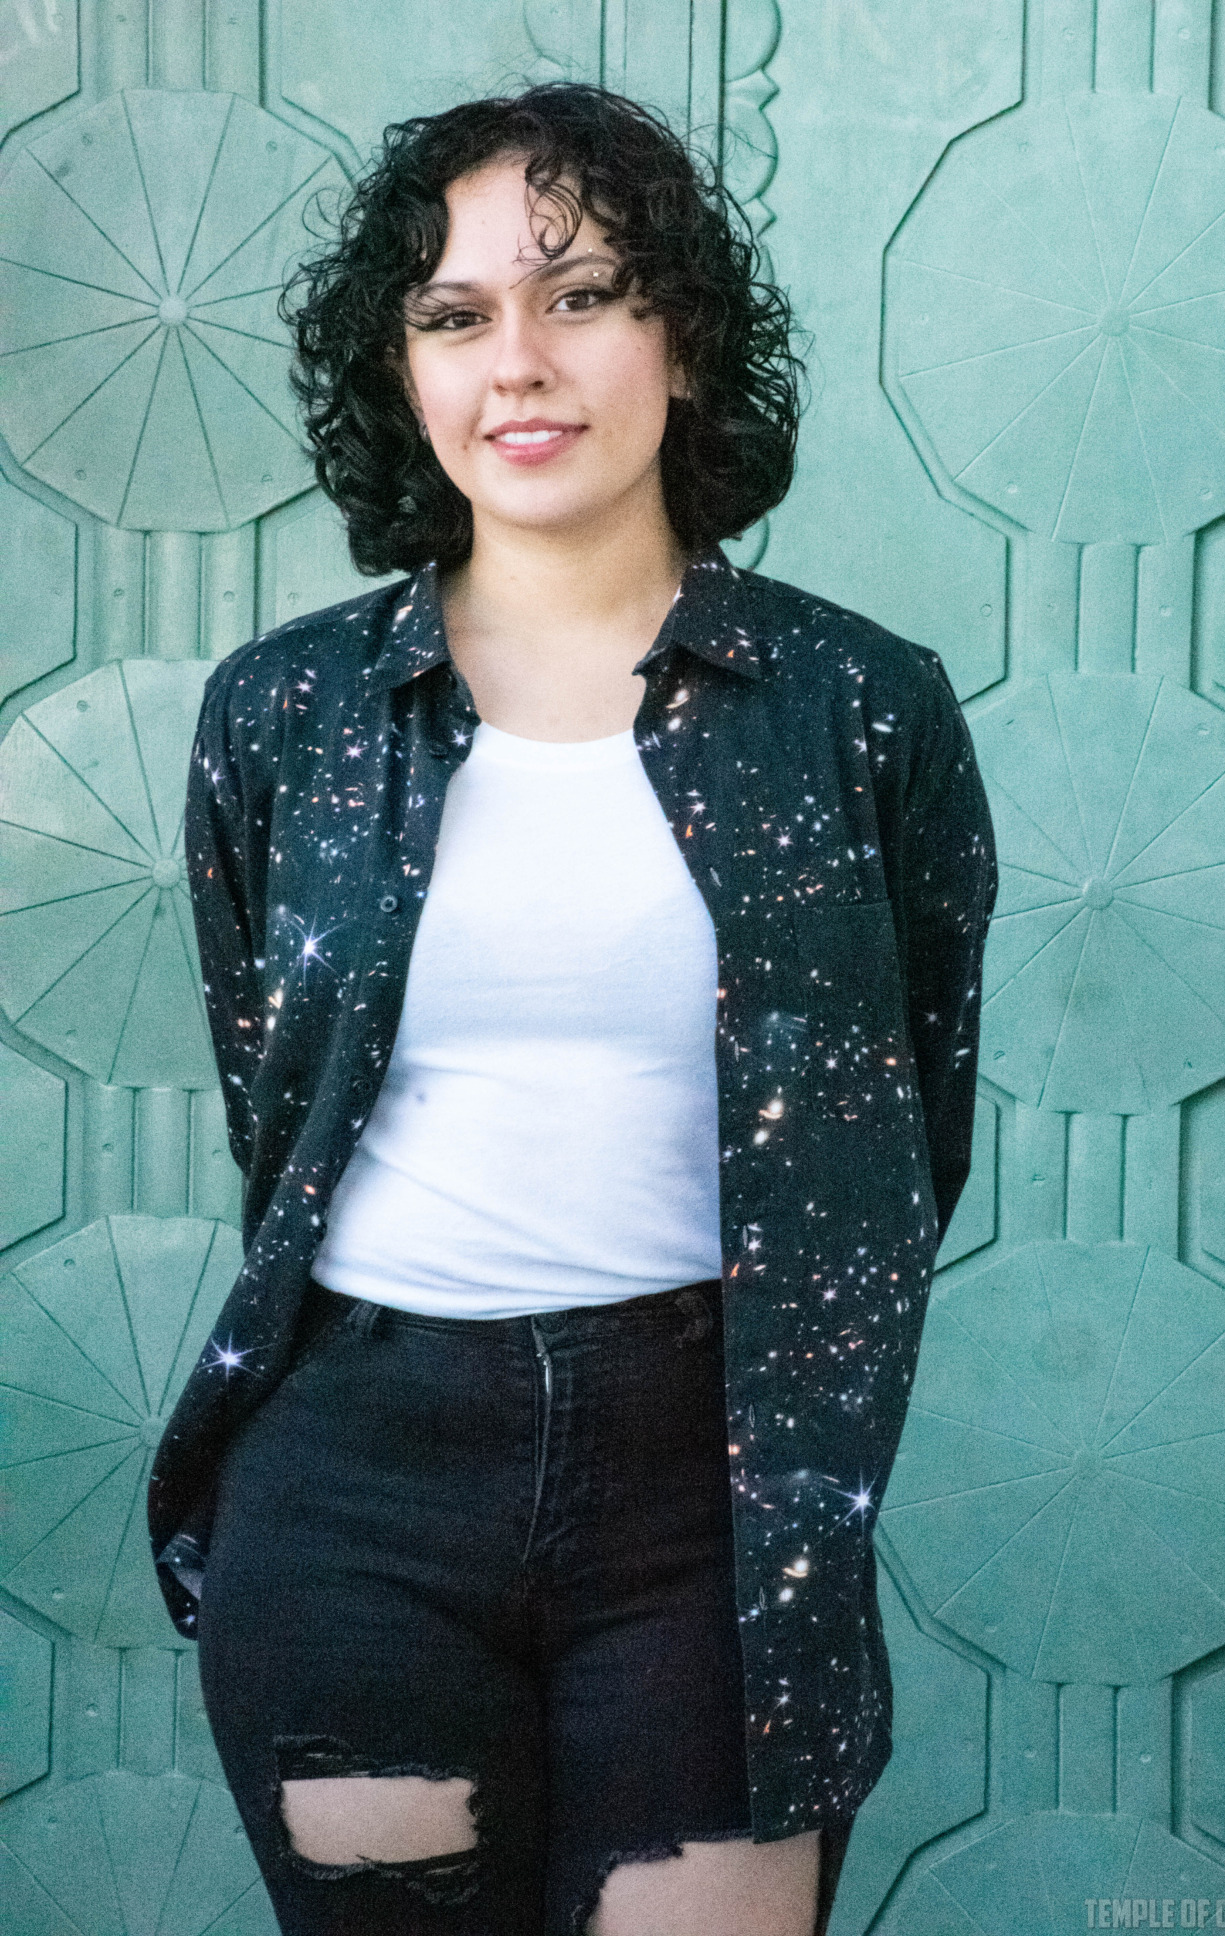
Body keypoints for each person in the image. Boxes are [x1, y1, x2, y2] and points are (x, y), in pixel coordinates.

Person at [147, 81, 997, 1936]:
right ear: (405, 372)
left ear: (683, 338)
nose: (516, 363)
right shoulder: (286, 717)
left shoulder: (859, 709)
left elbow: (909, 1116)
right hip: (356, 1485)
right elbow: (271, 1090)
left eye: (583, 291)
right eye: (453, 317)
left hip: (714, 1494)